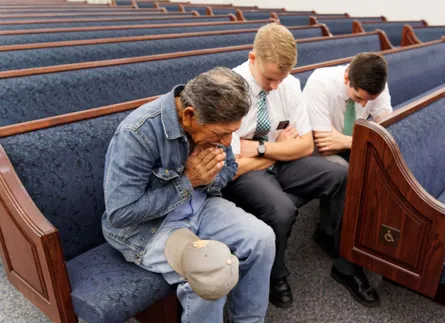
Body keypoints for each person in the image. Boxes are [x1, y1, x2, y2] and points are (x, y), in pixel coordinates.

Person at [222, 24, 380, 309]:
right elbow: (232, 167)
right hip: (247, 173)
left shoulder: (289, 84)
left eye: (280, 79)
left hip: (270, 159)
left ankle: (340, 252)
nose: (274, 87)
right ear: (252, 58)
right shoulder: (230, 89)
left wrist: (261, 149)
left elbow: (306, 146)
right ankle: (275, 274)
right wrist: (279, 150)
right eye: (270, 78)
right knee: (283, 210)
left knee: (341, 174)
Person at [102, 67, 276, 323]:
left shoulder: (215, 121)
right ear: (189, 115)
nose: (228, 143)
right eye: (221, 134)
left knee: (262, 239)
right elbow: (121, 213)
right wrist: (188, 181)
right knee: (210, 274)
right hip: (149, 228)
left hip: (200, 206)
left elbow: (229, 167)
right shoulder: (137, 134)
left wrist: (208, 178)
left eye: (232, 132)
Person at [303, 52, 393, 166]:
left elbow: (386, 129)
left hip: (352, 145)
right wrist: (364, 140)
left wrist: (346, 142)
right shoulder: (320, 82)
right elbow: (324, 145)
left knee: (383, 164)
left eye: (370, 100)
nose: (364, 104)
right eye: (359, 97)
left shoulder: (379, 85)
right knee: (347, 169)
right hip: (317, 150)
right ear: (346, 78)